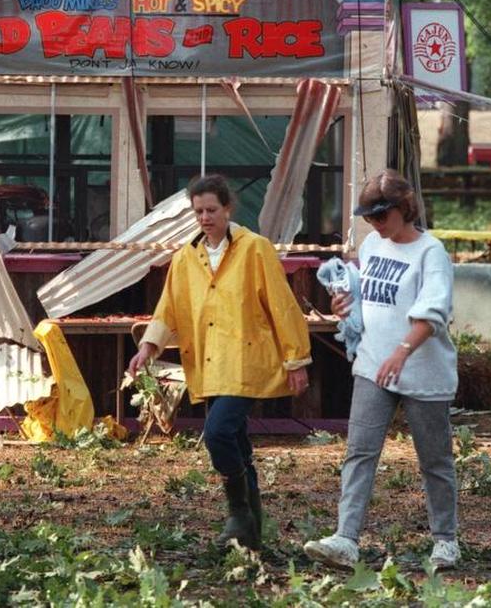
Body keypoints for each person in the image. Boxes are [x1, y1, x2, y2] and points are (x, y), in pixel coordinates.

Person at [128, 174, 311, 551]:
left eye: (212, 209)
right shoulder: (185, 258)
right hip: (209, 363)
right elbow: (169, 309)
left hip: (247, 360)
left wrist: (297, 360)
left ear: (228, 208)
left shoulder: (255, 249)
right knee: (237, 442)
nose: (206, 217)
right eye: (199, 211)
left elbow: (282, 306)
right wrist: (148, 347)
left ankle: (238, 512)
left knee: (217, 433)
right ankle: (253, 534)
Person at [303, 169, 460, 570]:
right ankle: (345, 537)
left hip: (423, 372)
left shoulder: (431, 253)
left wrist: (403, 351)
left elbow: (434, 313)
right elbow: (365, 295)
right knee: (359, 452)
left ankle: (445, 541)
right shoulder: (373, 245)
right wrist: (345, 306)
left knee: (434, 460)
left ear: (404, 208)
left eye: (380, 215)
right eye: (369, 217)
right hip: (374, 365)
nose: (373, 224)